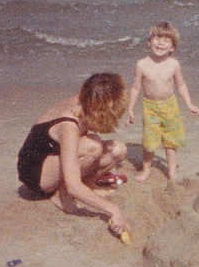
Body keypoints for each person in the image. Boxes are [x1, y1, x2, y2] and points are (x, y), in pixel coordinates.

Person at [17, 72, 129, 235]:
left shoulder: (87, 100)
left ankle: (88, 187)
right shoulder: (69, 124)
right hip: (36, 174)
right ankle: (60, 195)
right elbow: (74, 186)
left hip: (56, 157)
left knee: (118, 150)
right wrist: (114, 210)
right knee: (93, 146)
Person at [126, 21, 199, 182]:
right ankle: (146, 170)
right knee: (149, 141)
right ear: (149, 42)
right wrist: (130, 109)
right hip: (150, 107)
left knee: (171, 140)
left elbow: (181, 85)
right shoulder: (142, 64)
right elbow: (135, 88)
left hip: (170, 105)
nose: (161, 42)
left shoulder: (174, 64)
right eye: (157, 38)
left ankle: (172, 170)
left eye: (166, 40)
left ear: (172, 47)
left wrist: (189, 104)